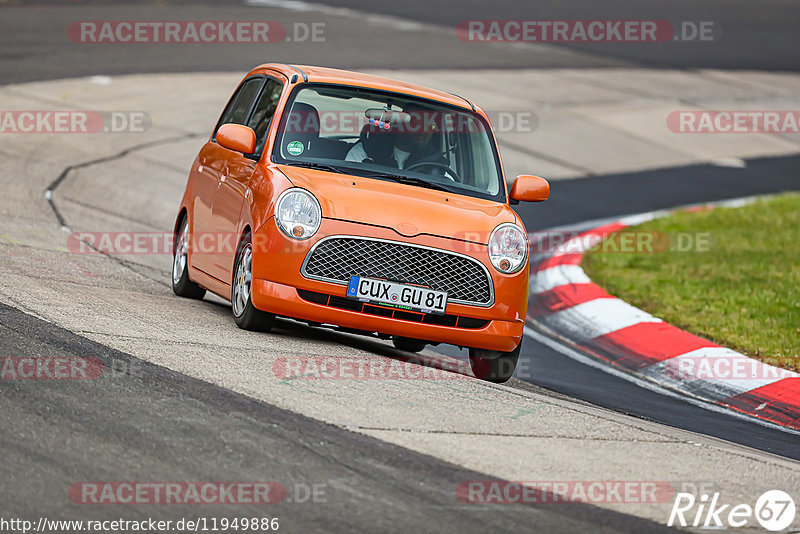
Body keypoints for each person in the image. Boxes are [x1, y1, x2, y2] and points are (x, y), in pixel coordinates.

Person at [345, 104, 447, 172]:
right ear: (401, 125)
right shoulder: (366, 151)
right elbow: (345, 185)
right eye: (417, 123)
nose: (424, 130)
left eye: (430, 126)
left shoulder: (437, 165)